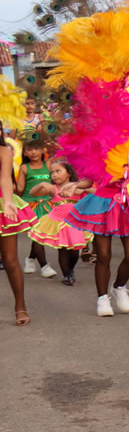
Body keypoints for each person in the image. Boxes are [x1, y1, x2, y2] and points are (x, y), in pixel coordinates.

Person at [28, 159, 92, 285]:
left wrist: (81, 188)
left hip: (75, 222)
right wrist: (41, 184)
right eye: (52, 173)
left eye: (58, 171)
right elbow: (32, 193)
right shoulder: (53, 189)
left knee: (74, 251)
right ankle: (67, 275)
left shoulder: (77, 187)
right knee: (62, 249)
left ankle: (71, 270)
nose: (54, 175)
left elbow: (95, 192)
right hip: (57, 221)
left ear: (68, 172)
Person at [1, 130, 35, 324]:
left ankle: (20, 307)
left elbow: (5, 179)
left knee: (10, 259)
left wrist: (7, 201)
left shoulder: (4, 151)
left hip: (2, 205)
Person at [15, 138, 56, 278]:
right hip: (30, 206)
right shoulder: (24, 168)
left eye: (37, 149)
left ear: (42, 150)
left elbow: (63, 153)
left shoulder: (49, 164)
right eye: (29, 149)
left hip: (47, 206)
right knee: (38, 235)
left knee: (40, 235)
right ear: (25, 153)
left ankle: (30, 259)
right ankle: (44, 266)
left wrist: (51, 142)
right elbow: (20, 189)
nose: (33, 152)